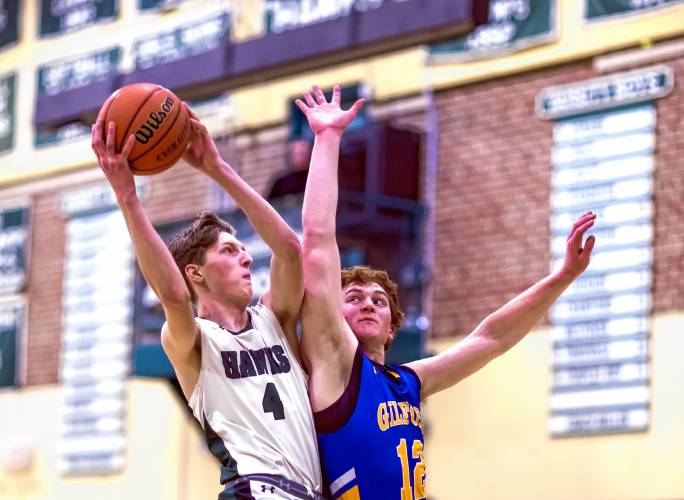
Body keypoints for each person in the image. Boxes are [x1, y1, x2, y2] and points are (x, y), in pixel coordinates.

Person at [296, 84, 596, 499]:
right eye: (354, 297)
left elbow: (492, 337)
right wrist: (327, 139)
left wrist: (562, 277)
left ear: (391, 330)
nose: (368, 302)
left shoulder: (409, 382)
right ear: (333, 314)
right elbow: (316, 239)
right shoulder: (334, 365)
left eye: (379, 301)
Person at [91, 104, 324, 500]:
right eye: (230, 251)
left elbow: (289, 251)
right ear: (196, 273)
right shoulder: (192, 341)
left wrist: (217, 167)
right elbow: (173, 295)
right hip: (253, 490)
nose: (247, 257)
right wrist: (127, 197)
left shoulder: (274, 319)